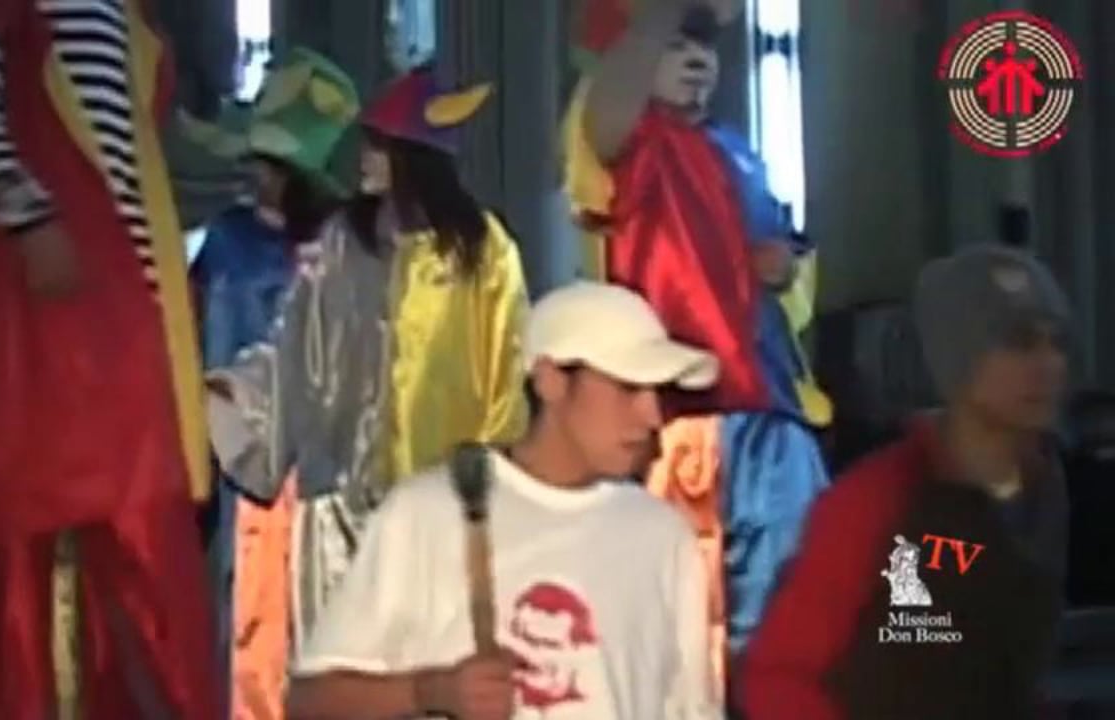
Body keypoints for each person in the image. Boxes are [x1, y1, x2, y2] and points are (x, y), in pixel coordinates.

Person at [0, 1, 218, 716]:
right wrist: (32, 218)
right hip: (35, 320)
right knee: (21, 558)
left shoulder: (126, 15)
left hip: (116, 315)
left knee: (146, 558)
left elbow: (131, 168)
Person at [285, 281, 723, 720]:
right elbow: (309, 702)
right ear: (551, 380)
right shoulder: (430, 512)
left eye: (657, 393)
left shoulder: (663, 536)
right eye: (628, 388)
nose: (652, 416)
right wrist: (431, 691)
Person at [206, 63, 529, 653]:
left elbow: (504, 382)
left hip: (442, 507)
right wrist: (236, 394)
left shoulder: (484, 252)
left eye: (377, 144)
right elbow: (295, 346)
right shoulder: (341, 241)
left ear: (412, 155)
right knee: (342, 663)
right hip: (339, 510)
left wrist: (491, 493)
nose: (363, 158)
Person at [563, 0, 831, 685]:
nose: (697, 62)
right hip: (676, 420)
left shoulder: (737, 151)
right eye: (675, 47)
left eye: (705, 49)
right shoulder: (627, 146)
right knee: (679, 636)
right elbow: (606, 119)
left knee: (795, 622)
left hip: (769, 414)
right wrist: (657, 16)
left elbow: (787, 284)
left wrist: (780, 266)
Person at [741, 245, 1070, 719]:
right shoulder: (875, 501)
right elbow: (777, 678)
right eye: (1018, 341)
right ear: (958, 356)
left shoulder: (1045, 489)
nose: (1047, 363)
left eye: (1056, 342)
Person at [182, 46, 359, 720]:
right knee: (247, 628)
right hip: (240, 464)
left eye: (268, 164)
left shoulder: (351, 247)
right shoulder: (225, 243)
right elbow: (192, 344)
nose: (254, 174)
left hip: (325, 473)